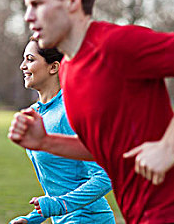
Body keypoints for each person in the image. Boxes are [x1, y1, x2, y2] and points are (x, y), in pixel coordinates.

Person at [8, 0, 174, 224]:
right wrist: (44, 141)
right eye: (27, 6)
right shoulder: (70, 70)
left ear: (72, 1)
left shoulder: (115, 44)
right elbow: (107, 149)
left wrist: (170, 144)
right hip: (136, 216)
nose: (28, 16)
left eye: (37, 4)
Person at [9, 38, 115, 224]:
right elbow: (61, 184)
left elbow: (105, 177)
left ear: (53, 67)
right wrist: (32, 219)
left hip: (89, 219)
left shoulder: (71, 110)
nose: (22, 66)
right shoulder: (34, 113)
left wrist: (59, 205)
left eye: (30, 59)